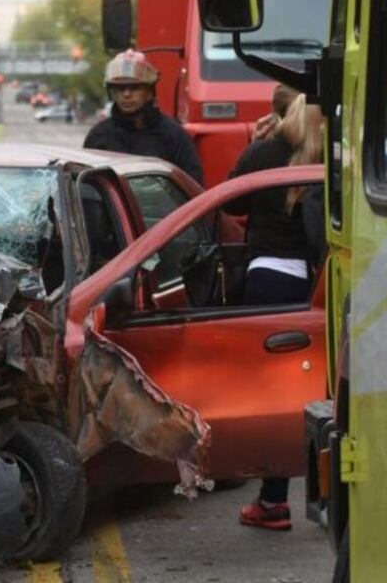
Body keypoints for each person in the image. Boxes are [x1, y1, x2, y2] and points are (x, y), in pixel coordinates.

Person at [225, 93, 325, 531]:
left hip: (267, 281)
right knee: (306, 394)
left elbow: (231, 203)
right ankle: (317, 498)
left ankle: (271, 501)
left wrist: (253, 145)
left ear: (280, 114)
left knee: (264, 393)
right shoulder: (328, 156)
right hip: (311, 285)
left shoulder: (265, 152)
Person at [84, 49, 203, 184]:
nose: (126, 94)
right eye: (120, 88)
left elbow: (192, 184)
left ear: (149, 92)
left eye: (134, 87)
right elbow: (86, 186)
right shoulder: (99, 136)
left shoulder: (173, 136)